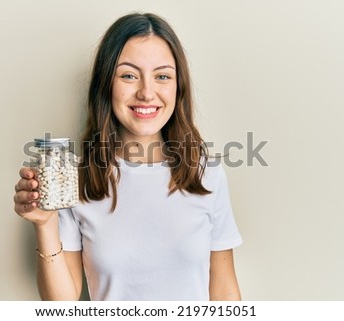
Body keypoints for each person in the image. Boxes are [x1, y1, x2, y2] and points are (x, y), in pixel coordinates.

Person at [14, 12, 242, 301]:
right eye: (129, 75)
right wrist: (45, 223)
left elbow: (225, 294)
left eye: (162, 76)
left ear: (178, 86)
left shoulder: (207, 175)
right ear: (106, 85)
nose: (147, 92)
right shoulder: (76, 178)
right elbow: (62, 306)